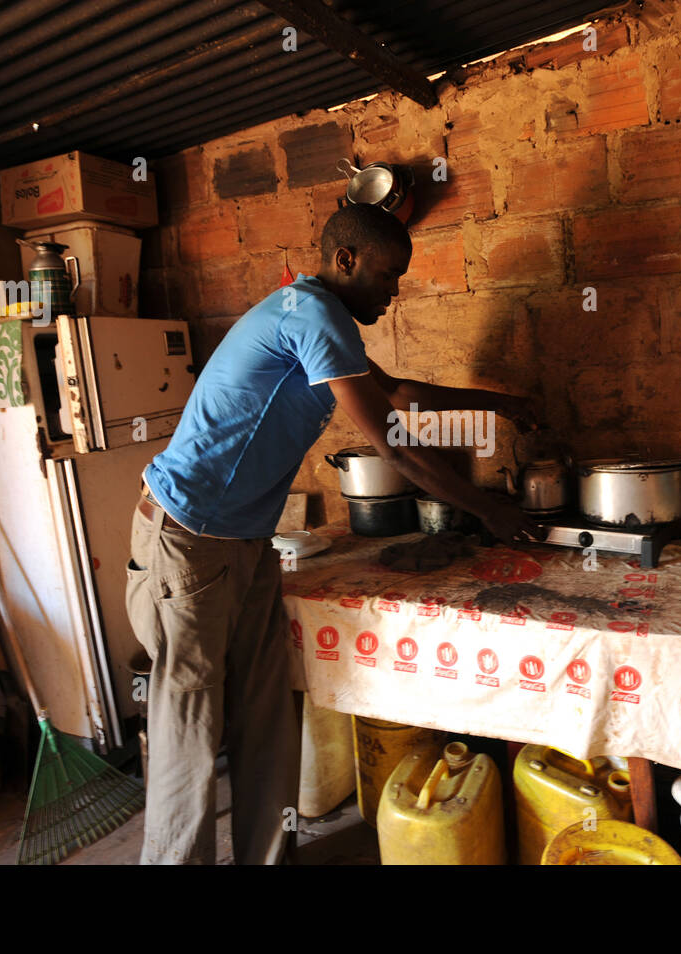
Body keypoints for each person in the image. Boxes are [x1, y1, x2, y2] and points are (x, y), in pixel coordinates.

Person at [125, 203, 545, 865]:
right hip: (188, 535)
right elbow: (399, 448)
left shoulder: (326, 324)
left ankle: (269, 857)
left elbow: (400, 393)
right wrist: (489, 509)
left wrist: (504, 406)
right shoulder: (311, 313)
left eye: (401, 278)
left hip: (245, 541)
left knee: (267, 715)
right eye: (388, 274)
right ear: (345, 259)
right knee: (190, 729)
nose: (393, 289)